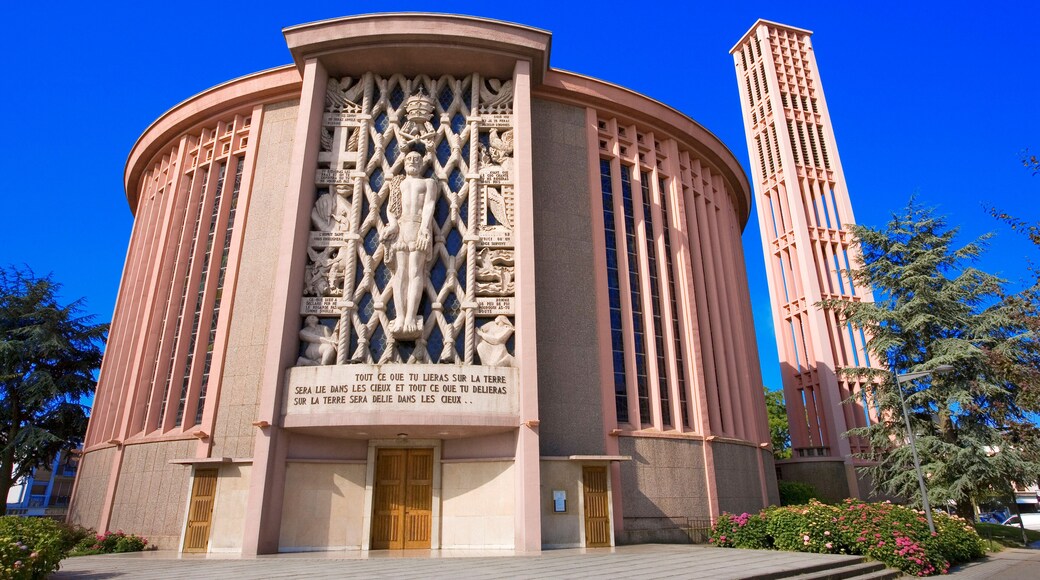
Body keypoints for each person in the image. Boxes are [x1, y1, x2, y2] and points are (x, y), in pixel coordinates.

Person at [381, 150, 437, 339]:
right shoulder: (398, 182)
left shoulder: (428, 183)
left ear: (422, 163)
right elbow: (391, 208)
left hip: (418, 226)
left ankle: (411, 317)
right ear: (404, 163)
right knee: (400, 274)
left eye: (416, 159)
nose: (412, 161)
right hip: (402, 228)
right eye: (409, 159)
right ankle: (400, 317)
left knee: (415, 272)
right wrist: (393, 225)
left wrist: (424, 228)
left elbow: (429, 205)